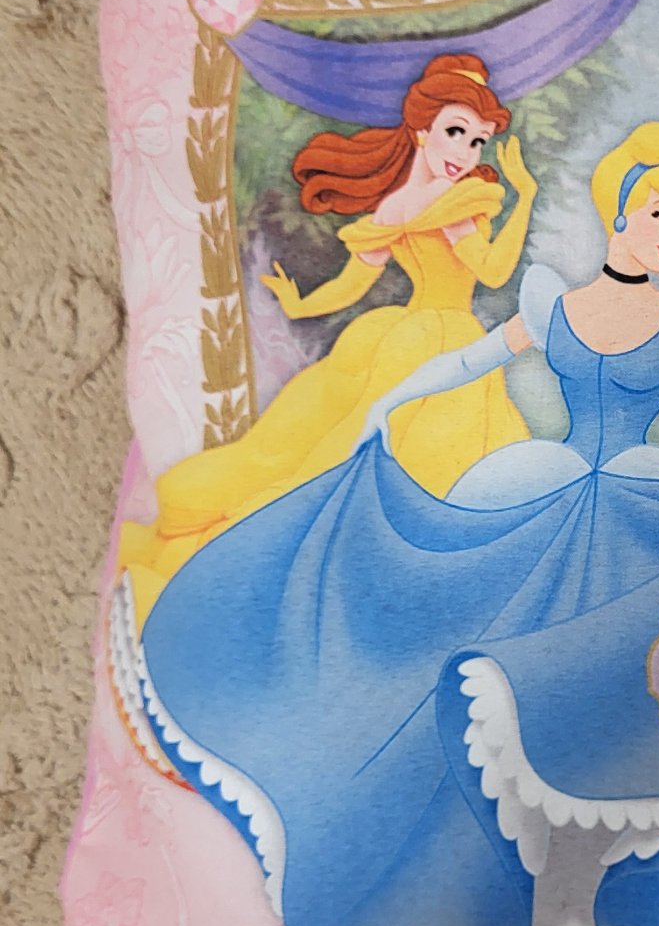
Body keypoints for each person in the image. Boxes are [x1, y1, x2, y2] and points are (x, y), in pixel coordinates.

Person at [128, 121, 659, 926]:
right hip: (545, 500)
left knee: (610, 717)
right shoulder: (553, 306)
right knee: (493, 707)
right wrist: (394, 399)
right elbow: (473, 359)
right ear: (620, 212)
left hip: (644, 513)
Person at [117, 53, 535, 623]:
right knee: (424, 462)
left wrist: (300, 303)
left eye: (478, 140)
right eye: (456, 132)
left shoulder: (395, 208)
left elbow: (350, 285)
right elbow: (493, 271)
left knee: (342, 454)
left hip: (401, 336)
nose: (466, 152)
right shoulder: (454, 206)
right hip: (444, 339)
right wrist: (524, 196)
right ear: (421, 130)